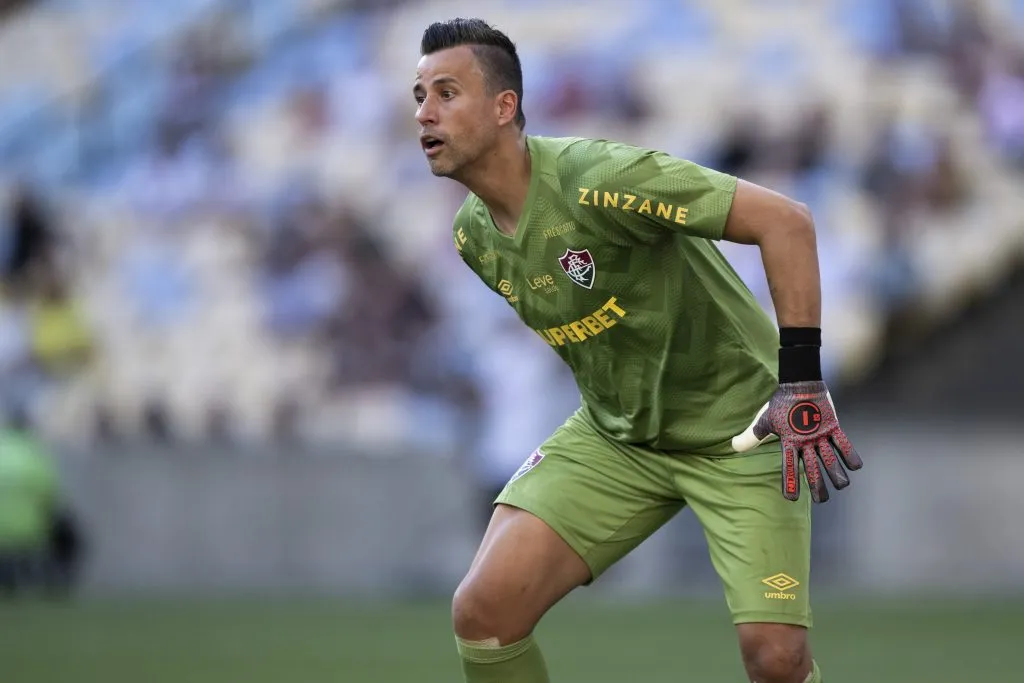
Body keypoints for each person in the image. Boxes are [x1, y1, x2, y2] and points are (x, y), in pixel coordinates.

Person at [413, 18, 863, 683]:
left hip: (742, 432)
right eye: (419, 95)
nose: (424, 113)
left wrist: (800, 381)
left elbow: (786, 221)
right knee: (483, 612)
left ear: (504, 107)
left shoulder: (599, 177)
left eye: (446, 93)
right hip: (618, 437)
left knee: (776, 660)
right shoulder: (473, 237)